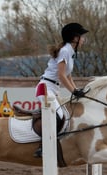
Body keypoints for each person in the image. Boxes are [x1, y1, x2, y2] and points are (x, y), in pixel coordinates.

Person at [34, 22, 89, 157]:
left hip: (53, 89)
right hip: (45, 88)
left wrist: (77, 90)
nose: (83, 39)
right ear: (75, 38)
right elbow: (61, 75)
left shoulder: (70, 52)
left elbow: (68, 76)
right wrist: (73, 91)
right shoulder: (65, 51)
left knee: (65, 115)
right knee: (59, 117)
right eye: (81, 37)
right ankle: (43, 146)